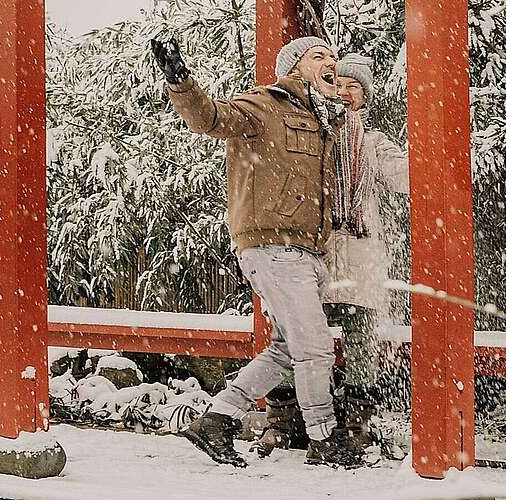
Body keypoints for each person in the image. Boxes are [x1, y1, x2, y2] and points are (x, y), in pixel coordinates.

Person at [150, 34, 363, 468]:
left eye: (334, 58)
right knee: (316, 347)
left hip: (305, 250)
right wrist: (180, 81)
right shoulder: (266, 104)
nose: (331, 63)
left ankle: (219, 419)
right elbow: (209, 118)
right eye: (319, 56)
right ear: (293, 67)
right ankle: (324, 439)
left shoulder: (323, 119)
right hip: (273, 245)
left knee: (289, 349)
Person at [250, 54, 410, 460]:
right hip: (308, 253)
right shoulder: (307, 135)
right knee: (287, 335)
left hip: (358, 256)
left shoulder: (371, 144)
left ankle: (356, 422)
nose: (343, 91)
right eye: (336, 82)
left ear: (365, 96)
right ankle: (283, 422)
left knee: (361, 340)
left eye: (352, 85)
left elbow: (409, 176)